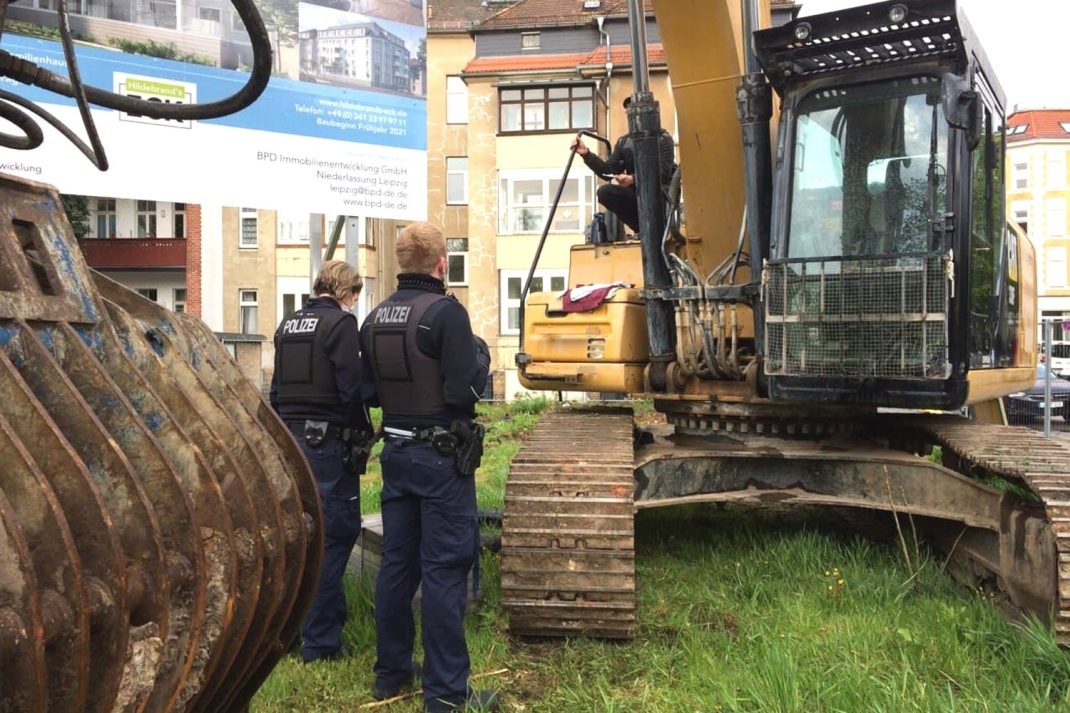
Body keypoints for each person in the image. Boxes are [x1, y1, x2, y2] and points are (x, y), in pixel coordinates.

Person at [360, 222, 495, 712]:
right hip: (440, 459)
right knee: (443, 570)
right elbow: (465, 392)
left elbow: (369, 392)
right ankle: (445, 694)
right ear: (442, 263)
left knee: (398, 564)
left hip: (395, 454)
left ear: (400, 263)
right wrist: (479, 363)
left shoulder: (373, 317)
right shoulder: (445, 314)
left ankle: (390, 674)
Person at [269, 259, 372, 664]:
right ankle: (323, 642)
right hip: (327, 444)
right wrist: (363, 433)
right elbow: (351, 388)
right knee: (334, 535)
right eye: (356, 296)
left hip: (291, 442)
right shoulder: (341, 325)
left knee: (301, 537)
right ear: (347, 292)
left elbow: (276, 391)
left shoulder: (288, 324)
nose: (355, 304)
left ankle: (288, 633)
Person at [571, 96, 677, 234]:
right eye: (629, 112)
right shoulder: (625, 142)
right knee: (605, 192)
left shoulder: (663, 139)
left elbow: (663, 173)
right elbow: (608, 170)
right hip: (637, 193)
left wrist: (632, 178)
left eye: (635, 112)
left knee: (651, 194)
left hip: (661, 194)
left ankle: (658, 228)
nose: (632, 116)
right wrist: (586, 154)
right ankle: (641, 229)